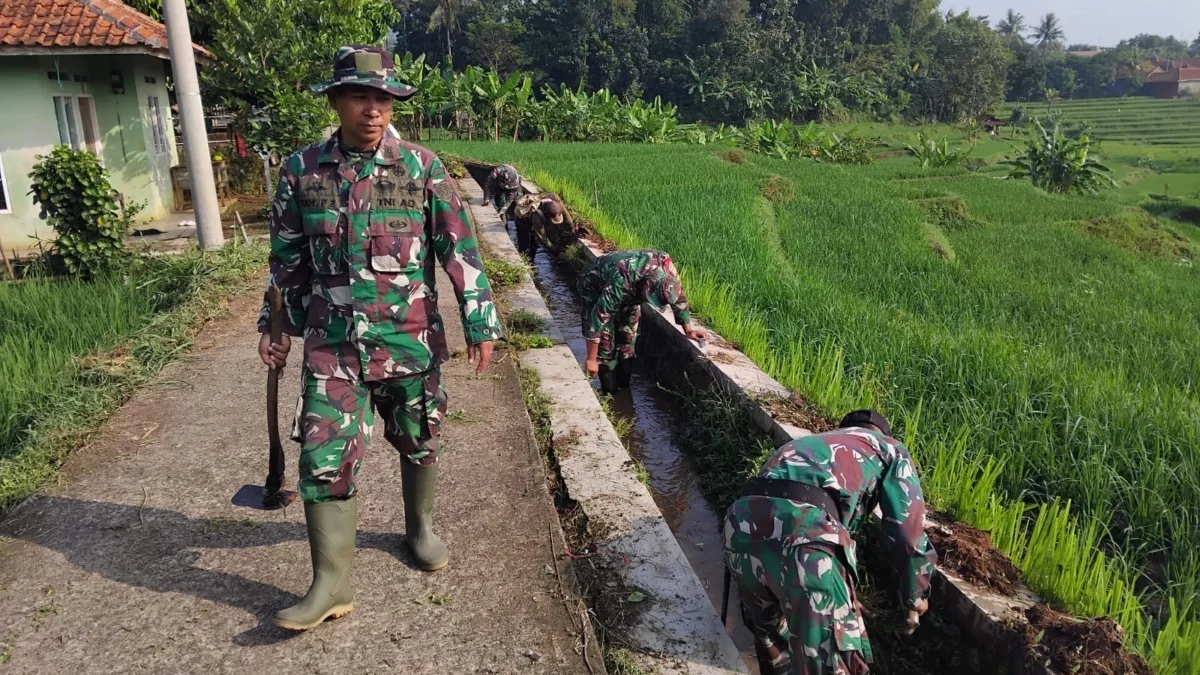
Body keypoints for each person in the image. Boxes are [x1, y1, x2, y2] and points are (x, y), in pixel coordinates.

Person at [257, 45, 502, 631]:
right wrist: (276, 329)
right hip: (333, 345)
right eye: (361, 97)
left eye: (384, 99)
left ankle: (419, 528)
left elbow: (459, 249)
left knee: (419, 439)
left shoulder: (422, 168)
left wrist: (480, 319)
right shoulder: (301, 171)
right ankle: (330, 583)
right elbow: (286, 262)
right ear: (338, 100)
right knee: (323, 456)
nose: (374, 110)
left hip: (409, 339)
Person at [723, 411, 938, 675]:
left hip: (739, 525)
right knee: (830, 660)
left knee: (775, 645)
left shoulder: (812, 444)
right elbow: (907, 535)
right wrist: (915, 597)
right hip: (805, 532)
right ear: (881, 433)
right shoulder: (890, 449)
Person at [577, 249, 705, 394]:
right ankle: (611, 395)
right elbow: (598, 320)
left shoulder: (669, 270)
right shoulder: (622, 279)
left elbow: (678, 298)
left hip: (631, 291)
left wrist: (688, 330)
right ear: (647, 286)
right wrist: (591, 359)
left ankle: (624, 389)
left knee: (627, 338)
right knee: (605, 346)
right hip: (595, 288)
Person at [509, 192, 566, 260]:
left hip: (533, 220)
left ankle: (531, 258)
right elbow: (543, 239)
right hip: (522, 220)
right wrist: (555, 250)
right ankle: (524, 260)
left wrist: (571, 225)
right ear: (547, 215)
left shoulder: (554, 200)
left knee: (535, 244)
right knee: (524, 245)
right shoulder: (538, 218)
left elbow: (565, 212)